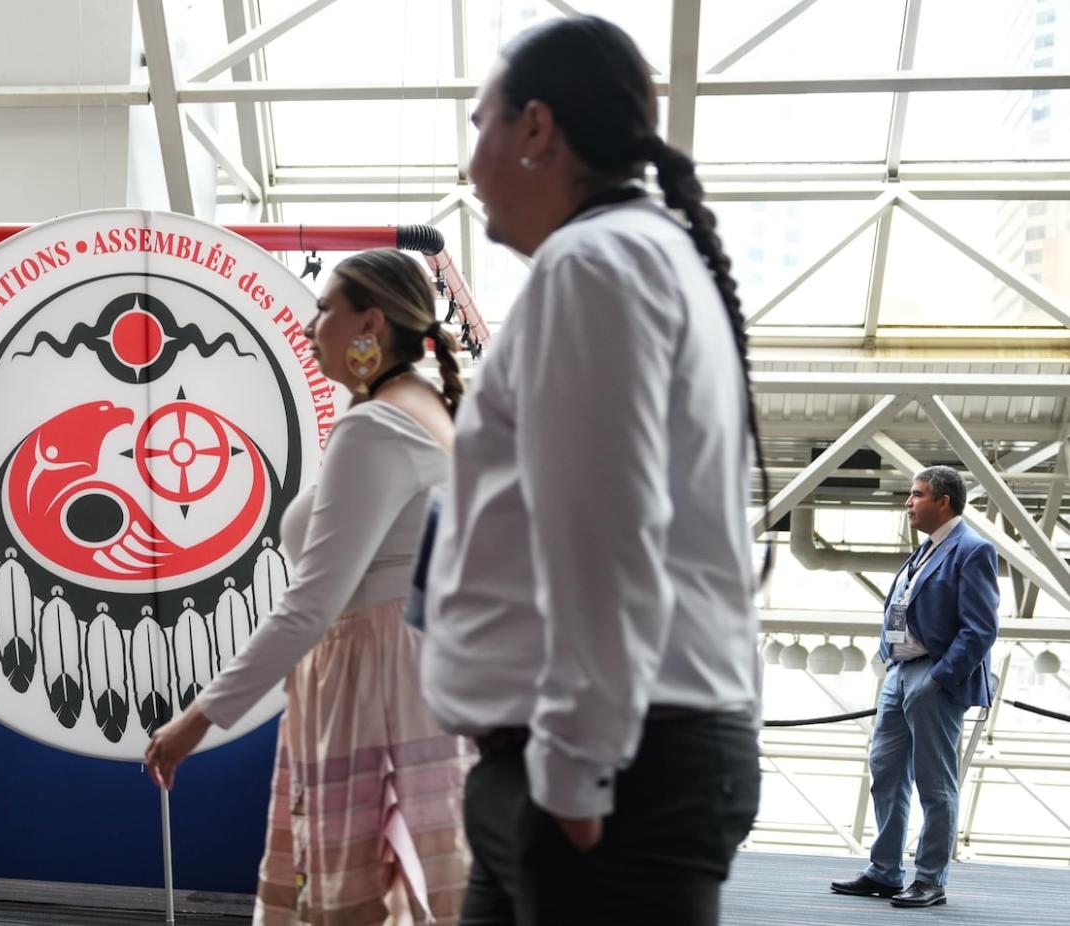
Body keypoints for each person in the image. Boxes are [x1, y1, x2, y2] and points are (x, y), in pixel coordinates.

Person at [420, 16, 765, 926]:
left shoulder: (596, 265)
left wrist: (572, 779)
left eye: (480, 124)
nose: (470, 164)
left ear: (537, 130)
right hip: (605, 760)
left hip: (607, 777)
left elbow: (607, 533)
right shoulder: (640, 257)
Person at [146, 249, 475, 926]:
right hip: (422, 680)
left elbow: (310, 606)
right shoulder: (431, 413)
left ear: (371, 324)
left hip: (370, 684)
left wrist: (195, 721)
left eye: (325, 308)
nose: (307, 325)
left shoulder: (375, 425)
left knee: (351, 906)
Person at [832, 466, 998, 909]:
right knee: (886, 772)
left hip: (933, 677)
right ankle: (885, 871)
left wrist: (941, 677)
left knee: (934, 783)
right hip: (900, 673)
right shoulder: (925, 550)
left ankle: (930, 880)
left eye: (916, 494)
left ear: (943, 500)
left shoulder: (973, 550)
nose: (908, 502)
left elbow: (980, 628)